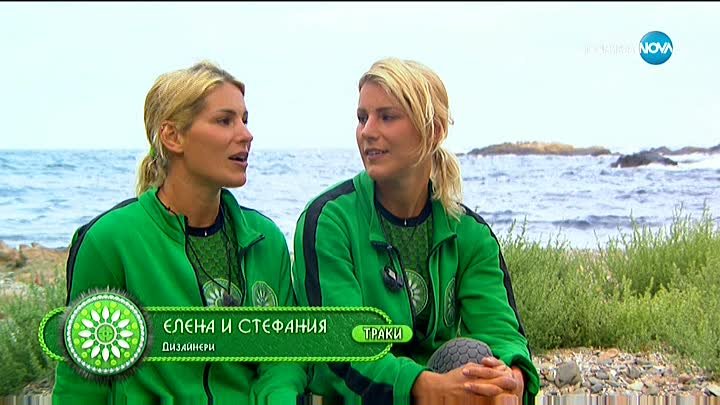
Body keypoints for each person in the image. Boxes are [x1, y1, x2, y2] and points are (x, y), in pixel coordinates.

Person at [52, 61, 307, 405]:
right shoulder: (110, 240)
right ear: (173, 136)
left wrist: (279, 397)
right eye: (224, 120)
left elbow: (284, 357)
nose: (246, 135)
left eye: (244, 120)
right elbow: (81, 385)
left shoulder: (265, 238)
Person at [292, 58, 539, 405]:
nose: (367, 131)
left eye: (386, 117)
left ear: (434, 130)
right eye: (362, 117)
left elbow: (502, 334)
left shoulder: (470, 234)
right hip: (353, 398)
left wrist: (511, 380)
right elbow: (342, 346)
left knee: (483, 365)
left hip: (443, 389)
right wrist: (424, 387)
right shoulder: (329, 220)